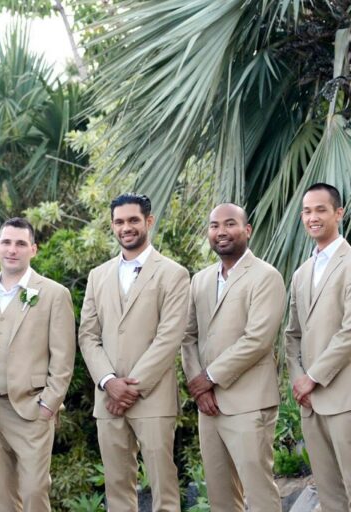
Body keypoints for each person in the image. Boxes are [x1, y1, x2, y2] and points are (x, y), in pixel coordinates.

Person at [79, 193, 188, 512]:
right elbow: (87, 335)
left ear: (148, 222)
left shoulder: (173, 273)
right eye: (119, 222)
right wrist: (108, 381)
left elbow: (169, 337)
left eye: (132, 220)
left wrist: (131, 388)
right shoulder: (98, 276)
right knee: (117, 487)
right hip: (107, 397)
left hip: (152, 398)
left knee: (163, 485)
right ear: (112, 225)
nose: (126, 227)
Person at [0, 217, 76, 512]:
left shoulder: (54, 294)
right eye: (6, 242)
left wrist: (48, 405)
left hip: (31, 410)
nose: (12, 250)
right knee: (0, 495)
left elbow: (64, 358)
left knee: (34, 491)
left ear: (33, 249)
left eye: (20, 243)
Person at [181, 203, 283, 512]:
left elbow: (257, 339)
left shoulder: (266, 276)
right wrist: (200, 388)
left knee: (259, 492)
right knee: (221, 497)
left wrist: (209, 378)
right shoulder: (199, 280)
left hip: (249, 403)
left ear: (246, 230)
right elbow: (188, 336)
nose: (221, 232)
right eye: (214, 226)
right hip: (209, 406)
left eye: (229, 224)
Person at [285, 183, 351, 512]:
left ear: (339, 213)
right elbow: (292, 334)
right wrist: (300, 382)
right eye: (307, 211)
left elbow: (350, 330)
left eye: (321, 209)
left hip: (344, 397)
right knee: (329, 494)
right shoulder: (301, 273)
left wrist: (313, 376)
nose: (313, 217)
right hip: (310, 402)